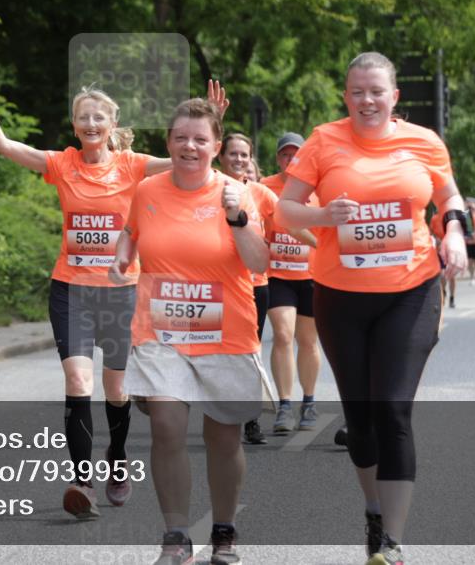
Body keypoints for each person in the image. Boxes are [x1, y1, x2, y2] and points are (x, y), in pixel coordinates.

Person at [277, 52, 468, 565]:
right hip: (340, 298)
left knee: (393, 409)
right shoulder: (323, 141)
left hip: (411, 290)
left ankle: (393, 543)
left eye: (376, 91)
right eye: (357, 91)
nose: (367, 100)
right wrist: (322, 213)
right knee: (360, 421)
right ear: (346, 97)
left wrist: (453, 232)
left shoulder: (424, 142)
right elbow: (284, 208)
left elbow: (449, 194)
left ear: (394, 97)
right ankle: (373, 510)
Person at [0, 76, 190, 518]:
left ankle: (117, 459)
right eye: (83, 117)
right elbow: (2, 145)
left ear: (112, 124)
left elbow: (186, 161)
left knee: (116, 388)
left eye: (99, 117)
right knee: (78, 382)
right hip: (70, 290)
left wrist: (209, 121)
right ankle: (81, 482)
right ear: (74, 125)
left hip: (120, 293)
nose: (91, 123)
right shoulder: (62, 163)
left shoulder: (132, 165)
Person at [109, 98, 269, 565]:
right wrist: (123, 256)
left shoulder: (239, 193)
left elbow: (260, 262)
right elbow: (130, 232)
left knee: (224, 437)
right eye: (181, 138)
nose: (190, 146)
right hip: (160, 331)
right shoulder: (148, 191)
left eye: (201, 139)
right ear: (169, 143)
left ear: (217, 147)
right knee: (166, 425)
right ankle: (176, 535)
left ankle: (223, 530)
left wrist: (238, 218)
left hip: (227, 332)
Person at [215, 132, 279, 444]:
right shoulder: (208, 188)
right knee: (220, 353)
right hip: (219, 283)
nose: (239, 160)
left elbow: (289, 220)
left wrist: (322, 244)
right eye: (233, 154)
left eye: (244, 155)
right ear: (221, 156)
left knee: (249, 351)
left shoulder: (260, 193)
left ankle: (251, 420)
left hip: (256, 285)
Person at [259, 132, 321, 436]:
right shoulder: (264, 188)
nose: (290, 159)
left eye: (296, 154)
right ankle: (284, 405)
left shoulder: (317, 187)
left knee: (308, 341)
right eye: (285, 154)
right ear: (277, 159)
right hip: (278, 275)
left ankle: (308, 402)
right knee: (283, 335)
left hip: (311, 275)